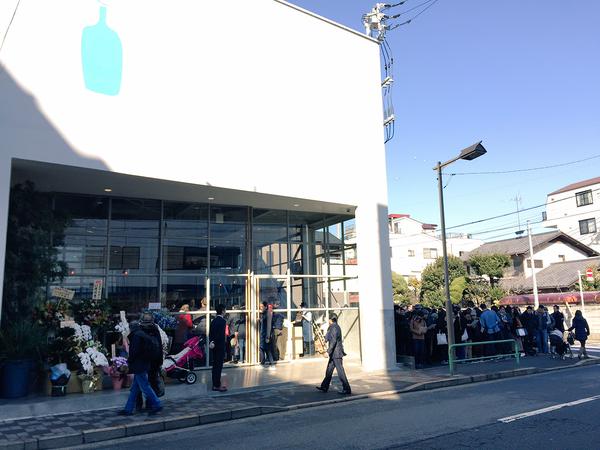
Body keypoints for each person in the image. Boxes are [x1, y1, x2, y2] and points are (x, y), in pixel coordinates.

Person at [119, 314, 163, 415]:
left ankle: (157, 404)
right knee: (134, 389)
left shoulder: (137, 336)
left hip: (139, 365)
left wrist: (129, 362)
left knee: (145, 386)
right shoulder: (145, 333)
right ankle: (128, 409)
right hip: (146, 363)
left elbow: (134, 352)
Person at [316, 314, 351, 395]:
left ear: (331, 320)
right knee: (329, 370)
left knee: (340, 372)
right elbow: (329, 336)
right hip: (334, 354)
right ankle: (324, 386)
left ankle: (347, 389)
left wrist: (327, 352)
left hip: (337, 354)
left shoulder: (334, 328)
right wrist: (324, 339)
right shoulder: (333, 327)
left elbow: (333, 341)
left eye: (328, 319)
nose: (328, 321)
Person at [209, 304, 227, 391]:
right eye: (225, 310)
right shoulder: (223, 321)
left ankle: (214, 384)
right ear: (223, 311)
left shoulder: (213, 321)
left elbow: (211, 333)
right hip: (220, 346)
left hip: (214, 346)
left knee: (215, 365)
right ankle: (217, 385)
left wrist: (212, 342)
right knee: (219, 366)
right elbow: (220, 335)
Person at [260, 302, 276, 368]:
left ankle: (272, 364)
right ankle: (263, 362)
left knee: (267, 350)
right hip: (263, 334)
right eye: (260, 306)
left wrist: (268, 336)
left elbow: (269, 325)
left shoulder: (268, 313)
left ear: (265, 307)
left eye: (262, 306)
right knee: (262, 348)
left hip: (266, 334)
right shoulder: (263, 314)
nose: (260, 308)